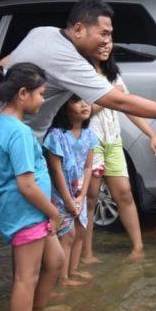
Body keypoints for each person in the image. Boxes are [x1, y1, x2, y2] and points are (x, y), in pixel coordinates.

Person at [0, 0, 156, 139]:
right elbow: (119, 100)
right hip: (15, 142)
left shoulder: (42, 31)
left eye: (110, 34)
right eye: (103, 33)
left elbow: (6, 59)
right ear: (78, 30)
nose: (108, 41)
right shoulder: (65, 58)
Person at [0, 63, 65, 311]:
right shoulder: (17, 132)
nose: (43, 100)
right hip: (25, 213)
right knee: (25, 278)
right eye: (40, 93)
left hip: (31, 212)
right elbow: (27, 185)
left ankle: (37, 310)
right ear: (22, 93)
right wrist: (54, 212)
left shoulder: (2, 123)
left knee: (55, 261)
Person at [84, 42, 156, 263]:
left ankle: (138, 249)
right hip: (91, 142)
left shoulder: (112, 73)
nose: (105, 46)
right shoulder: (80, 73)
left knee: (125, 194)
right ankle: (86, 254)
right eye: (100, 41)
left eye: (109, 41)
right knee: (90, 199)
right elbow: (82, 112)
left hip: (113, 141)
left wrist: (151, 135)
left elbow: (128, 106)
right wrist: (111, 97)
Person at [43, 95, 97, 286]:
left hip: (77, 192)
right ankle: (62, 278)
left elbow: (88, 167)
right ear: (63, 107)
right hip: (59, 193)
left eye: (86, 100)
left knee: (81, 231)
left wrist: (82, 196)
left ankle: (73, 270)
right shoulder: (56, 136)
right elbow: (56, 170)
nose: (85, 104)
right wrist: (67, 199)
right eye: (76, 101)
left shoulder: (89, 134)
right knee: (67, 234)